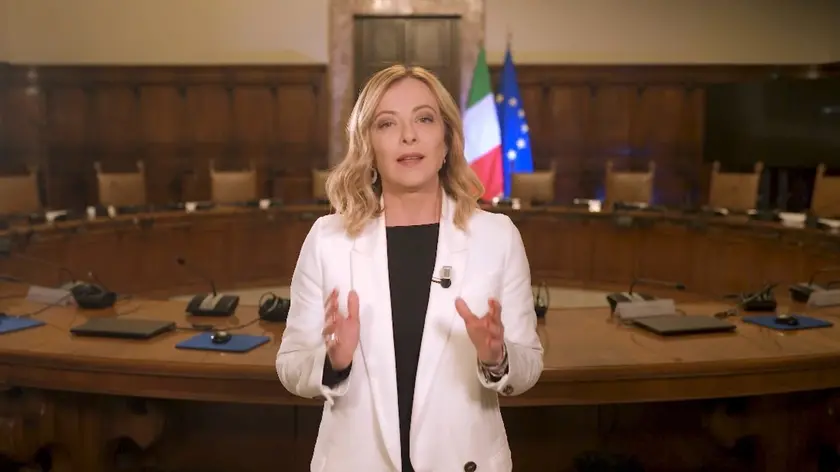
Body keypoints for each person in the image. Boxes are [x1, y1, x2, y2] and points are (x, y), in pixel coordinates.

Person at [276, 64, 544, 472]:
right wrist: (334, 362)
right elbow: (291, 364)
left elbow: (529, 365)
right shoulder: (328, 240)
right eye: (387, 123)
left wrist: (497, 357)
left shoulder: (497, 237)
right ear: (368, 145)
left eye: (424, 118)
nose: (408, 136)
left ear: (446, 139)